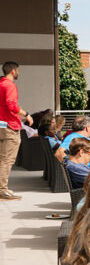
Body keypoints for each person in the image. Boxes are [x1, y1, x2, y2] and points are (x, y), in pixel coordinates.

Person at [0, 61, 33, 201]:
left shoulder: (1, 84)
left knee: (2, 158)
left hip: (2, 125)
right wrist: (26, 114)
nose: (18, 73)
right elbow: (12, 105)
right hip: (10, 126)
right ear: (13, 71)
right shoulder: (9, 85)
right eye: (17, 70)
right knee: (7, 159)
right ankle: (2, 190)